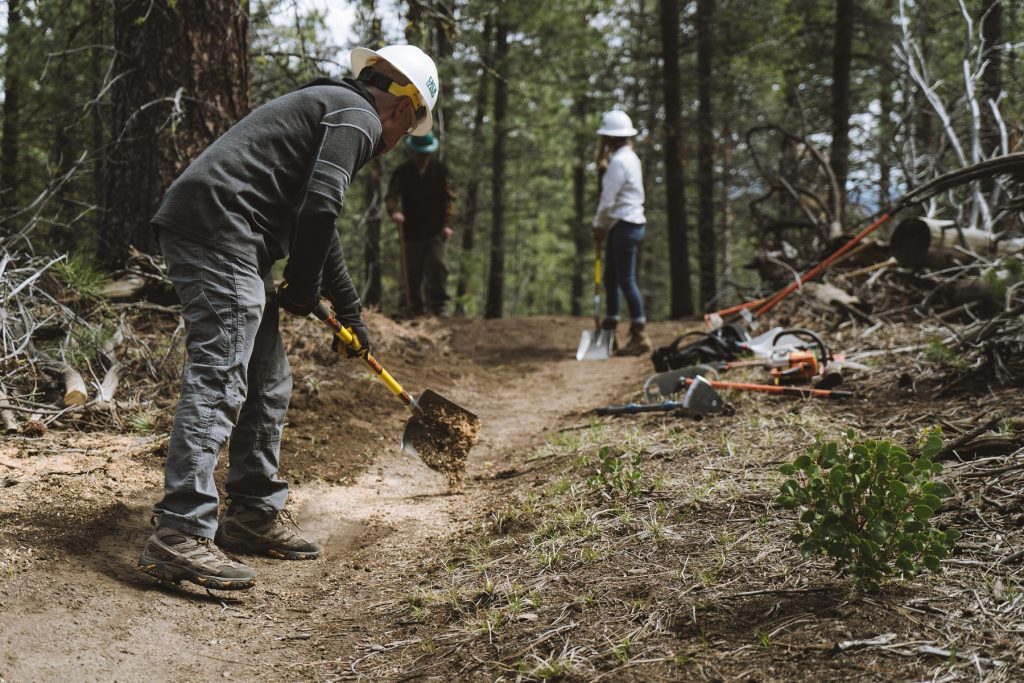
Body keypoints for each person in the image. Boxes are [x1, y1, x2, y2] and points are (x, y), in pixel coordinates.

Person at [137, 44, 440, 591]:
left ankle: (252, 513)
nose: (395, 146)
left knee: (267, 379)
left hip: (230, 234)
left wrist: (350, 314)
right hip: (219, 227)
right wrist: (301, 288)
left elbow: (317, 224)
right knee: (223, 371)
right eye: (406, 132)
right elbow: (320, 209)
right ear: (402, 110)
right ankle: (179, 530)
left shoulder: (334, 106)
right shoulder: (359, 117)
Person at [592, 109, 651, 356]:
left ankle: (639, 335)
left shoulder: (618, 162)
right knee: (611, 279)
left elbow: (608, 199)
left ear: (608, 138)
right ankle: (610, 331)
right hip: (625, 224)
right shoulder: (630, 157)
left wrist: (598, 224)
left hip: (624, 224)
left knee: (625, 279)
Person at [385, 131, 456, 317]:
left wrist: (448, 225)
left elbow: (450, 199)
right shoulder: (402, 172)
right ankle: (412, 308)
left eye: (426, 153)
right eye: (420, 153)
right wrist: (395, 212)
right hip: (411, 231)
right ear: (413, 152)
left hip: (436, 230)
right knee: (411, 271)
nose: (423, 157)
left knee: (438, 267)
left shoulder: (441, 171)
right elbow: (391, 196)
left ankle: (439, 307)